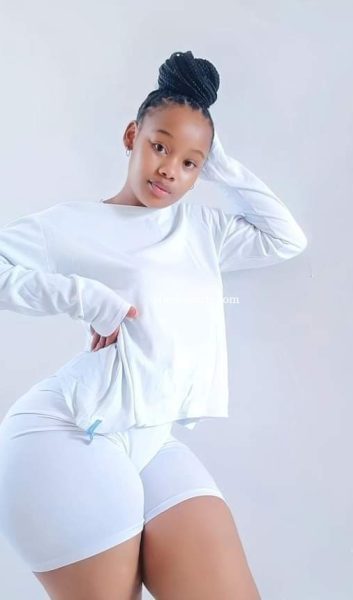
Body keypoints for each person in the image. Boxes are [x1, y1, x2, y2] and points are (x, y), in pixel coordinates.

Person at [0, 50, 307, 599]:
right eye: (160, 146)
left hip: (150, 436)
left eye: (190, 163)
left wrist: (219, 161)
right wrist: (87, 299)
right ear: (131, 137)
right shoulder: (71, 224)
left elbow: (285, 238)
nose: (169, 169)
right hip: (67, 434)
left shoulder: (202, 229)